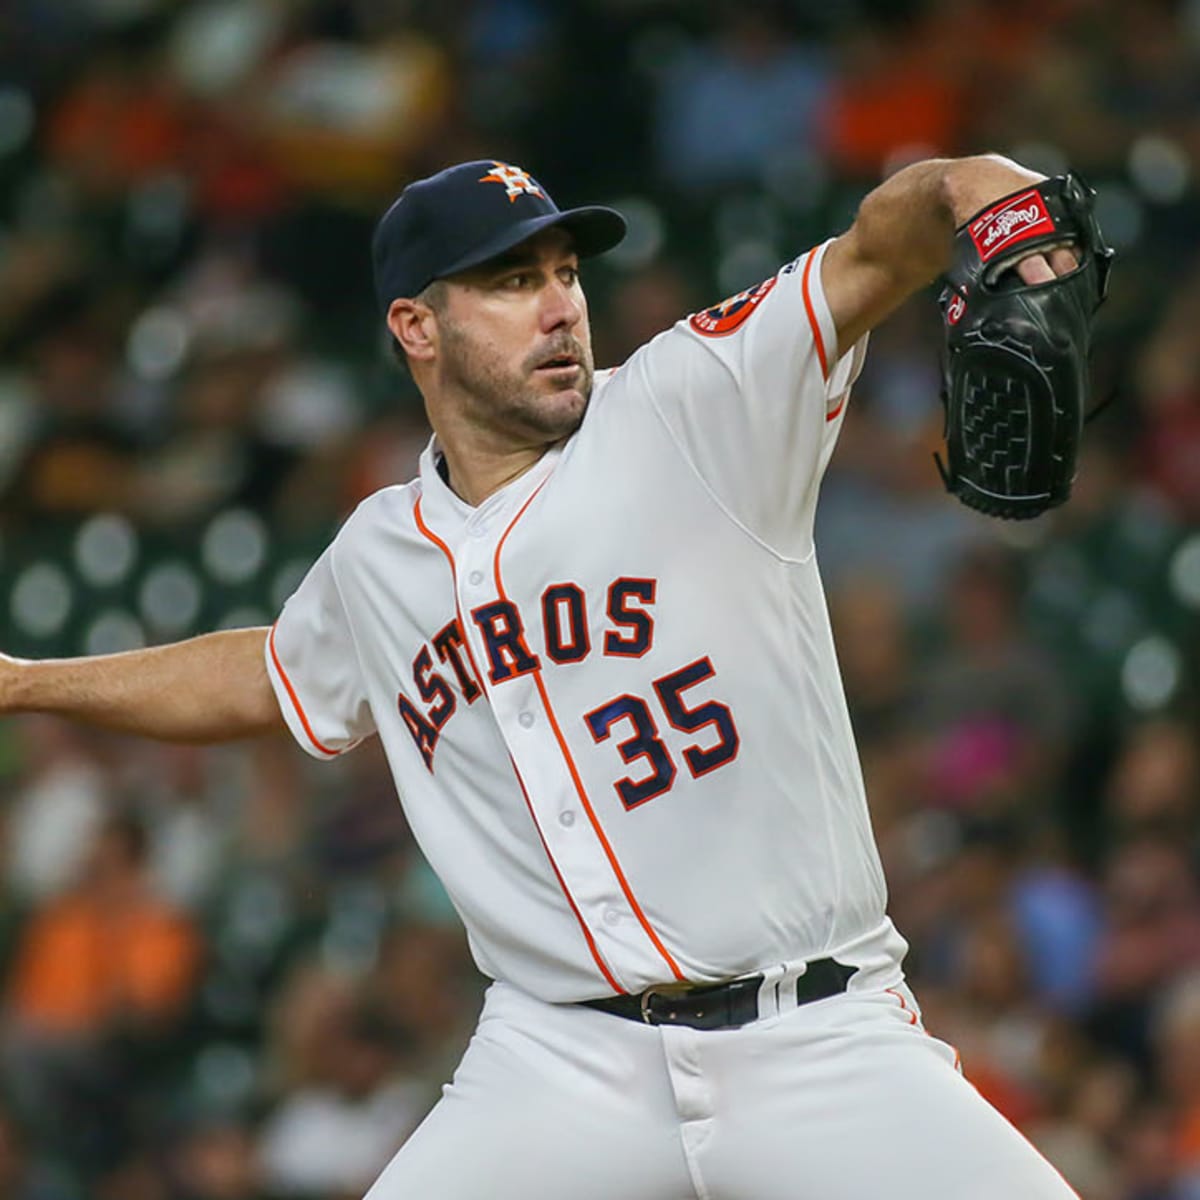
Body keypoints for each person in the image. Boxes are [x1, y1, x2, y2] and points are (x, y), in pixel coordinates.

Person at [0, 155, 1084, 1198]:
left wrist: (963, 184)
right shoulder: (380, 551)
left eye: (567, 272)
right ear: (415, 327)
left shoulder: (691, 405)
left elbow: (870, 256)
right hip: (562, 1062)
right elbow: (270, 676)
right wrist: (25, 683)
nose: (561, 305)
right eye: (513, 281)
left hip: (814, 1031)